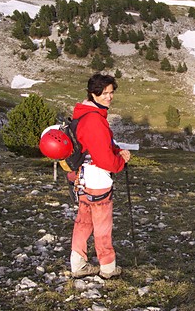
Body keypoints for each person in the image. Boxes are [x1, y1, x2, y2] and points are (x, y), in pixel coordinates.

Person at [69, 73, 131, 279]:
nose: (109, 97)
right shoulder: (95, 120)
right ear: (93, 93)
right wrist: (121, 161)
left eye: (111, 92)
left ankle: (78, 265)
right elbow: (105, 159)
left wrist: (115, 152)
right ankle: (108, 268)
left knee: (83, 222)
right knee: (102, 226)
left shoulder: (83, 114)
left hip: (83, 178)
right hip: (98, 179)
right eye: (104, 93)